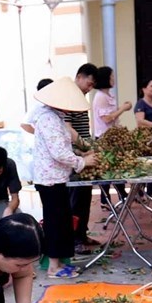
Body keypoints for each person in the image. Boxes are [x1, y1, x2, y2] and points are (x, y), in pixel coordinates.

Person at [31, 77, 98, 279]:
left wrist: (82, 154)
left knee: (61, 221)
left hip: (56, 177)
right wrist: (82, 162)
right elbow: (58, 152)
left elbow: (65, 145)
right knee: (55, 223)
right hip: (49, 179)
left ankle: (58, 263)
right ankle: (53, 267)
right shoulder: (48, 119)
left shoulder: (54, 116)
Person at [65, 63, 100, 252]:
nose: (90, 88)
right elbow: (68, 129)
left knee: (85, 196)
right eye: (89, 83)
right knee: (76, 199)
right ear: (79, 77)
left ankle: (82, 235)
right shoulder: (69, 98)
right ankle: (74, 241)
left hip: (85, 154)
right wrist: (84, 149)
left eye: (92, 85)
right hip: (75, 157)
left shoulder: (79, 98)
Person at [92, 66, 132, 210]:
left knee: (114, 167)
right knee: (108, 170)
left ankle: (121, 195)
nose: (113, 79)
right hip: (104, 139)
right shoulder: (101, 97)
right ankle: (107, 199)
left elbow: (113, 118)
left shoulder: (107, 95)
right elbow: (107, 118)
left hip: (112, 138)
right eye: (111, 76)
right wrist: (123, 108)